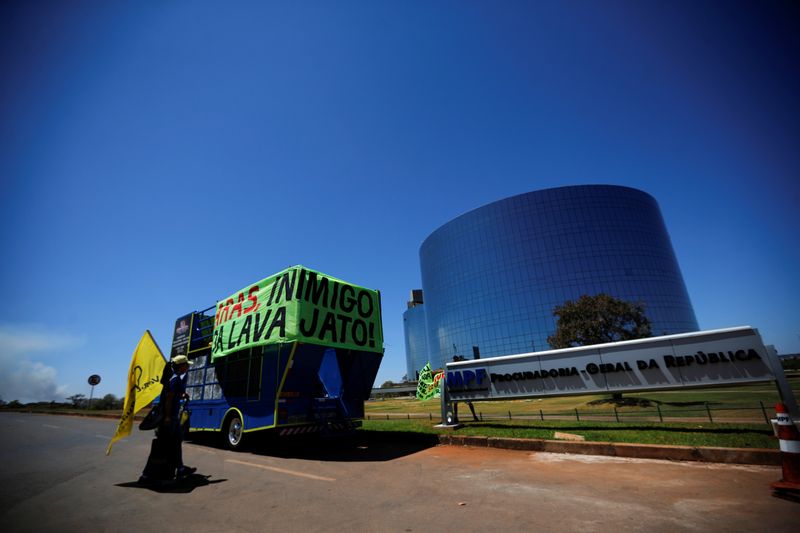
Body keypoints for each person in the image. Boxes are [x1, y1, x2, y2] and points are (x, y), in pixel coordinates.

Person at [138, 355, 196, 484]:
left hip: (173, 417)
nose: (187, 367)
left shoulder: (174, 378)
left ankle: (180, 468)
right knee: (162, 446)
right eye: (186, 365)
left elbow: (173, 394)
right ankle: (146, 476)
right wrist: (168, 417)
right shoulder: (175, 379)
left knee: (176, 442)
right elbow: (169, 399)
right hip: (169, 418)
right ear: (181, 365)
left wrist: (182, 394)